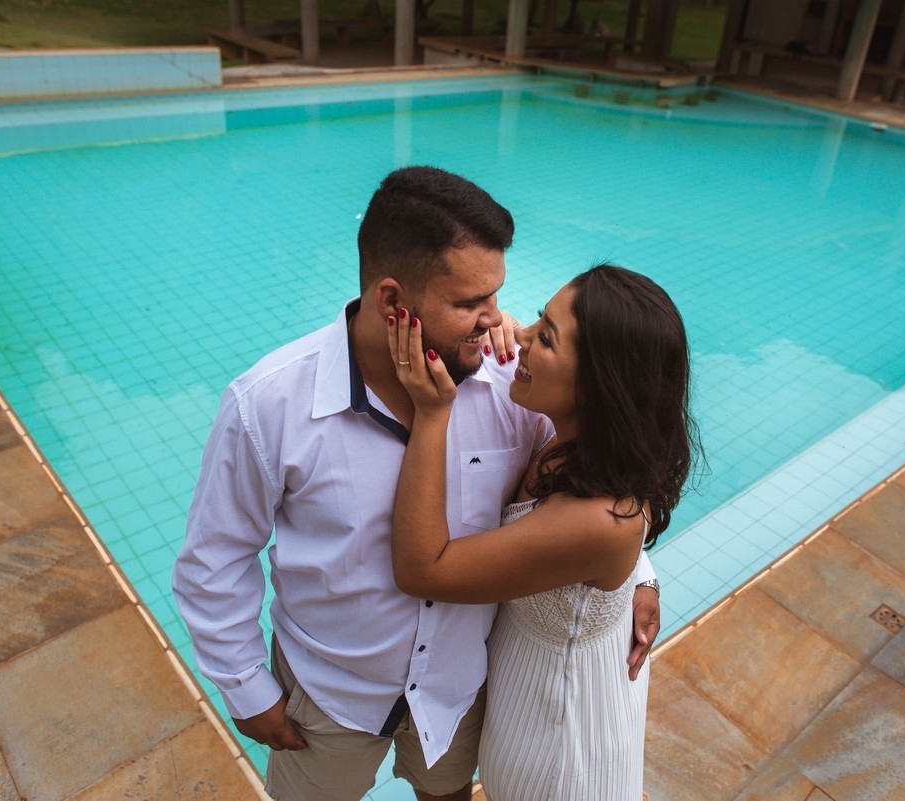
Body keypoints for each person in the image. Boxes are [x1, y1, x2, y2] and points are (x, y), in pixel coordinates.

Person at [172, 166, 662, 801]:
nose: (496, 323)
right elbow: (217, 554)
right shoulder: (267, 406)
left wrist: (637, 573)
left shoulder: (510, 388)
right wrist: (243, 684)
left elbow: (582, 488)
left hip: (458, 688)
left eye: (496, 295)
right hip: (328, 693)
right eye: (468, 304)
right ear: (392, 301)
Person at [386, 264, 696, 801]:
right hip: (539, 692)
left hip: (558, 741)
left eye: (545, 338)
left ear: (601, 384)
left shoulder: (596, 518)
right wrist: (644, 580)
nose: (516, 336)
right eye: (534, 321)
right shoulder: (583, 442)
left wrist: (433, 414)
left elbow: (423, 569)